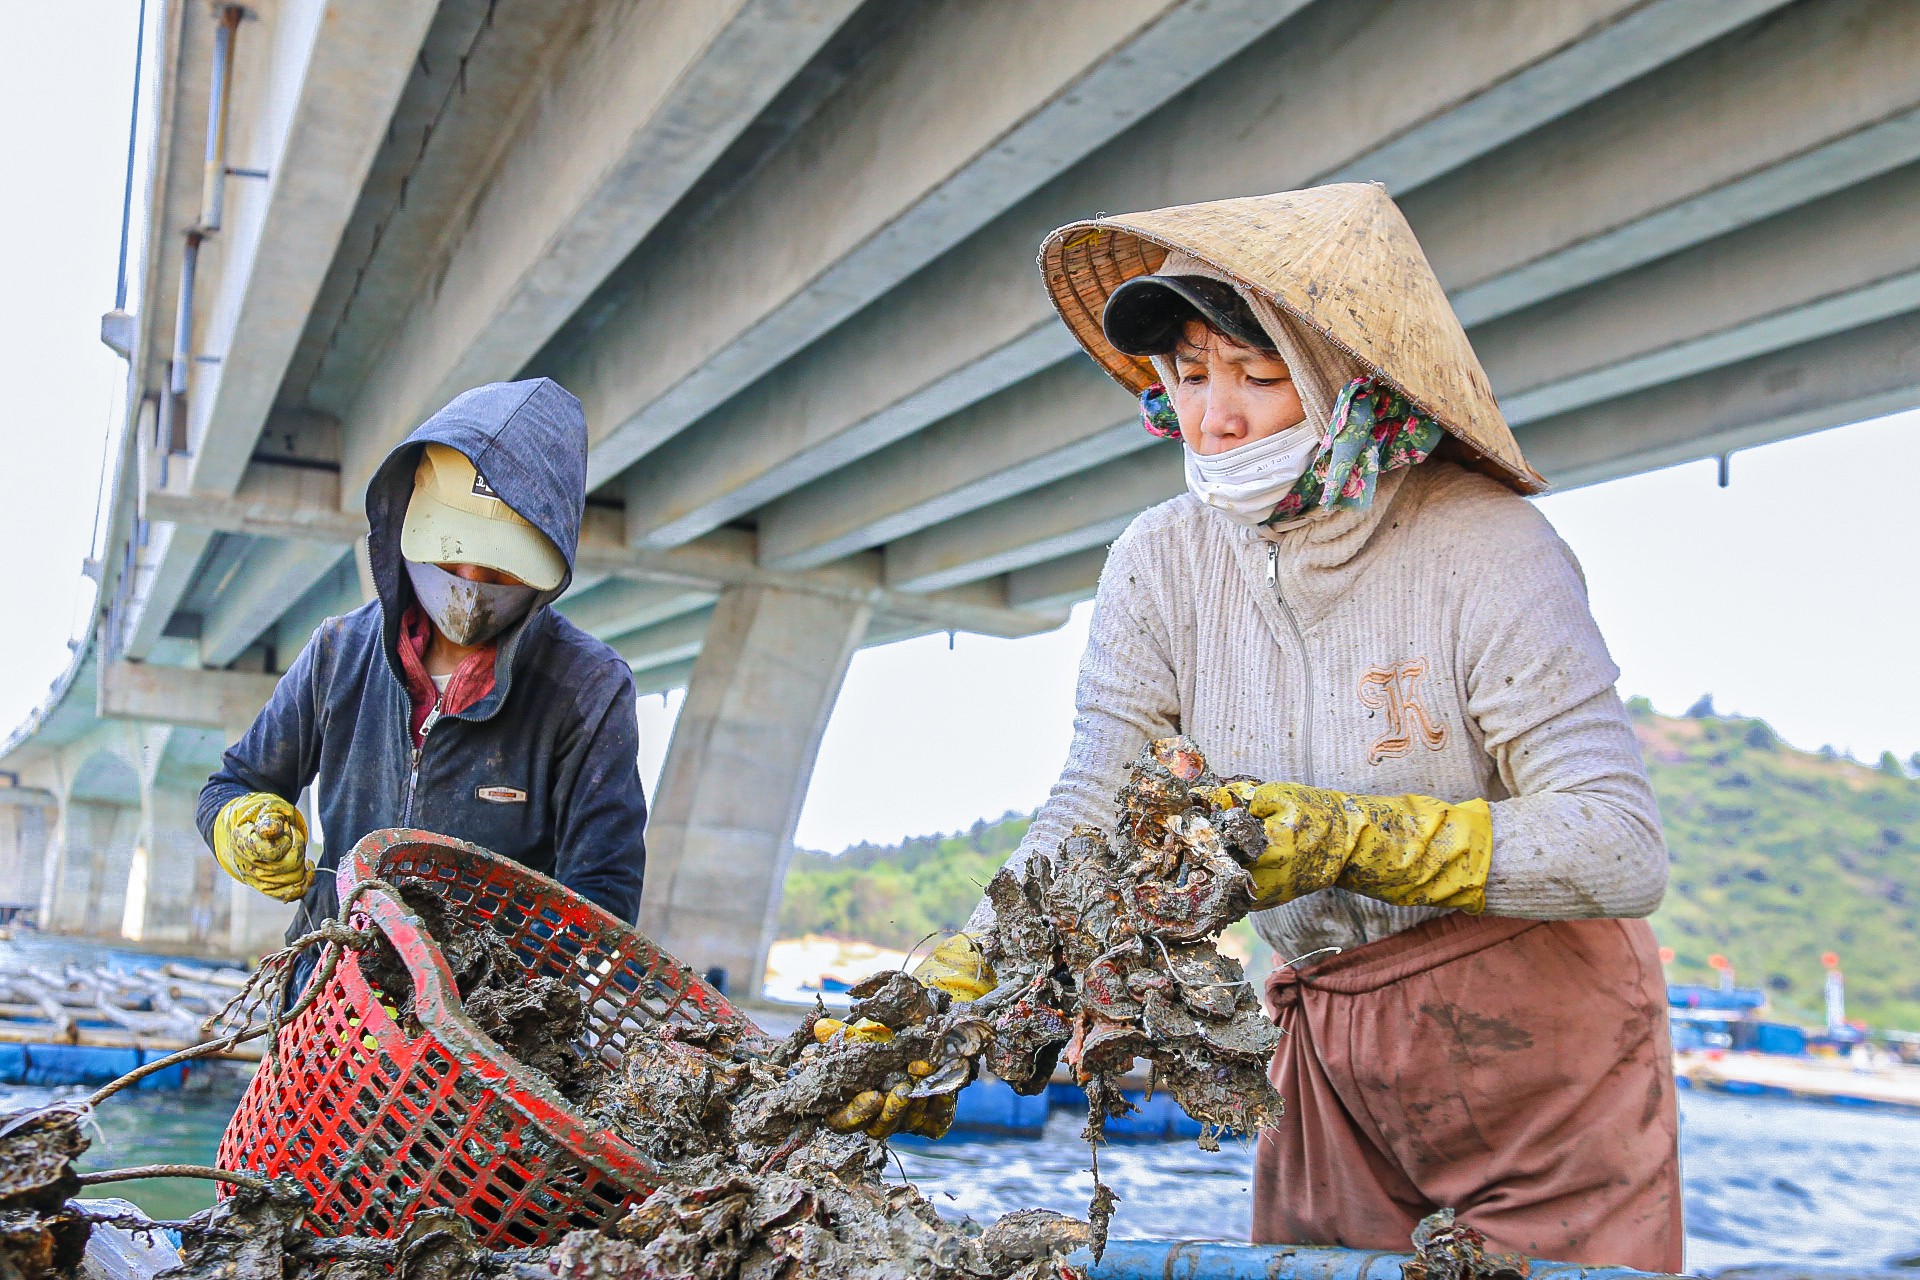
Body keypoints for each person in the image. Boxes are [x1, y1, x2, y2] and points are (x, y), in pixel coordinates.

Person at [950, 184, 1681, 1267]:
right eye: (1191, 376)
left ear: (1348, 383)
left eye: (1258, 376)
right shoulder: (1160, 563)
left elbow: (1620, 845)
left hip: (1541, 1044)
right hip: (1324, 1052)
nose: (1216, 417)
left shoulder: (1488, 548)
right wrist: (968, 970)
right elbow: (1091, 801)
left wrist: (1353, 837)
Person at [198, 377, 649, 961]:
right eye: (450, 554)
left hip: (489, 1020)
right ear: (412, 527)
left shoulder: (588, 690)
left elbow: (604, 899)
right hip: (333, 991)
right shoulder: (339, 654)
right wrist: (237, 824)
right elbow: (231, 786)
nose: (469, 585)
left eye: (498, 571)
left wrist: (475, 978)